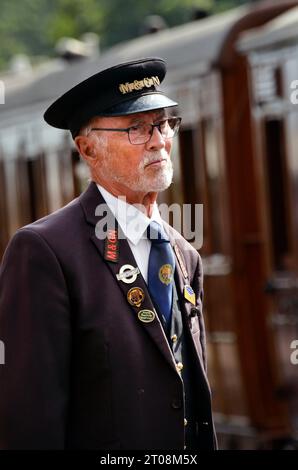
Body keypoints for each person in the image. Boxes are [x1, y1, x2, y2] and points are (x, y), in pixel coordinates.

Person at [0, 57, 216, 450]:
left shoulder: (185, 255)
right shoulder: (45, 252)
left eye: (164, 123)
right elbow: (29, 418)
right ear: (87, 149)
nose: (158, 140)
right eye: (136, 128)